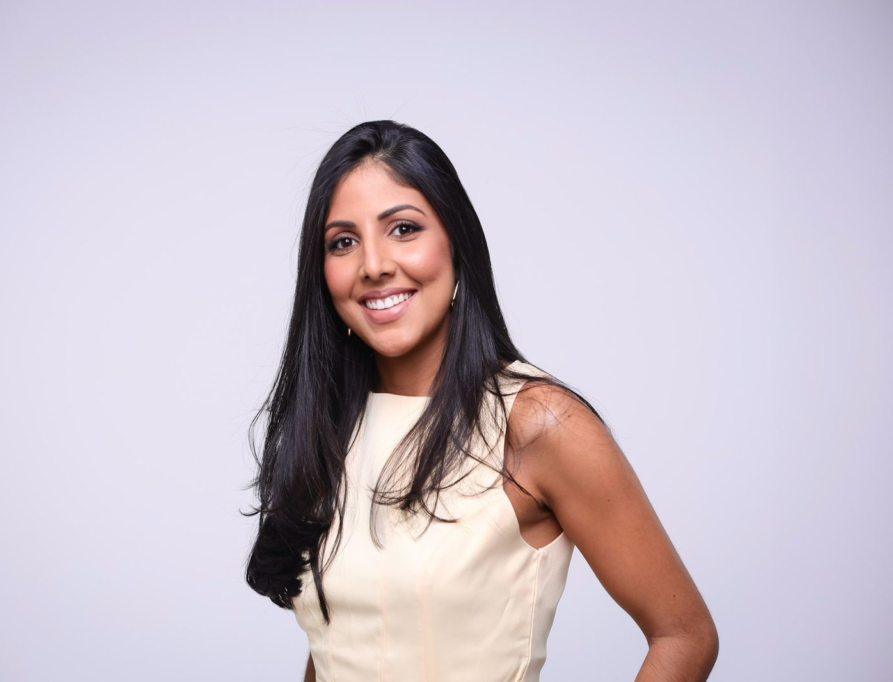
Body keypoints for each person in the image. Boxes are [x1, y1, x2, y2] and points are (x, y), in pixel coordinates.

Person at [243, 120, 718, 681]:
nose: (373, 265)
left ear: (457, 242)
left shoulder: (537, 424)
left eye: (403, 229)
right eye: (343, 242)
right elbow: (342, 645)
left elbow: (684, 636)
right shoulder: (330, 428)